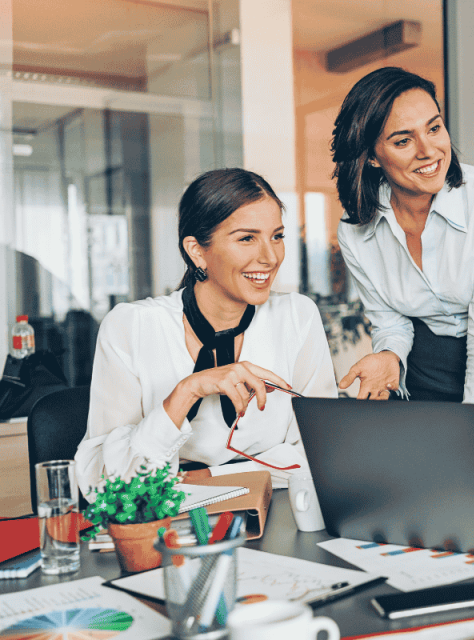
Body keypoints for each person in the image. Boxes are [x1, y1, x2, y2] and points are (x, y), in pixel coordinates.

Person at [76, 169, 338, 495]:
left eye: (277, 236)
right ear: (197, 251)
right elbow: (102, 482)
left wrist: (206, 480)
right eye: (247, 238)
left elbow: (323, 456)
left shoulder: (297, 316)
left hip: (275, 511)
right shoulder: (131, 326)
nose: (270, 257)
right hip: (165, 524)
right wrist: (187, 391)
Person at [331, 67, 474, 455]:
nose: (429, 150)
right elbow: (391, 321)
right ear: (373, 157)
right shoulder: (355, 231)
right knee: (428, 473)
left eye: (434, 128)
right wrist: (389, 354)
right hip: (427, 356)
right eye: (403, 140)